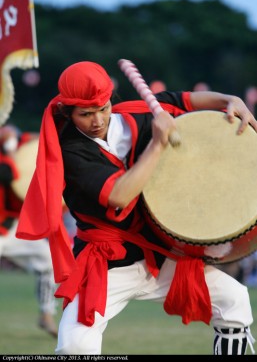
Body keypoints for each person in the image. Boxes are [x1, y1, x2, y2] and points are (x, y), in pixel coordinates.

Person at [16, 61, 257, 355]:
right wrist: (157, 144)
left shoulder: (139, 112)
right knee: (75, 343)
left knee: (234, 300)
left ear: (110, 99)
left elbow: (185, 101)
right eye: (85, 114)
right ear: (68, 111)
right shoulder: (69, 151)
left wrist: (231, 101)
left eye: (103, 108)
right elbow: (120, 194)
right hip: (108, 263)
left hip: (160, 252)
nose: (97, 120)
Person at [0, 124, 58, 338]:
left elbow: (34, 137)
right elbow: (10, 173)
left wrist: (16, 136)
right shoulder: (7, 158)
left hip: (10, 228)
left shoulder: (13, 140)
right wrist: (10, 149)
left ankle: (46, 315)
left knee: (49, 262)